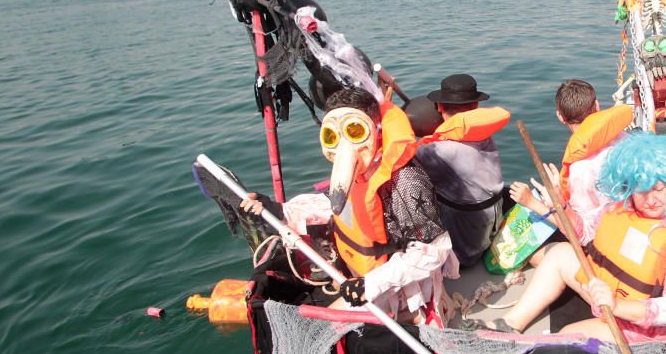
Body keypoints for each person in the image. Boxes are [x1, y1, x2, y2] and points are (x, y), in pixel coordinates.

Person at [241, 86, 458, 322]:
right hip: (360, 271)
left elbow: (434, 250)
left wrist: (371, 284)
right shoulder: (361, 171)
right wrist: (281, 210)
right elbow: (335, 206)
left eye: (355, 131)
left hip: (399, 284)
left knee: (324, 329)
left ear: (376, 132)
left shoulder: (405, 179)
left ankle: (414, 319)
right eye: (333, 136)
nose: (345, 147)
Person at [494, 133, 666, 340]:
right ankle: (510, 324)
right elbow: (584, 234)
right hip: (609, 295)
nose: (650, 200)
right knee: (560, 254)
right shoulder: (624, 205)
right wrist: (559, 204)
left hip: (656, 324)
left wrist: (618, 306)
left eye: (658, 189)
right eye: (641, 189)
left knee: (569, 335)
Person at [509, 79, 633, 247]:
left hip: (610, 245)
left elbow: (582, 236)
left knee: (538, 252)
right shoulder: (628, 140)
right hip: (633, 227)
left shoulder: (580, 170)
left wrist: (534, 203)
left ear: (560, 116)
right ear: (597, 106)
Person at [413, 74, 510, 268]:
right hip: (488, 227)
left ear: (439, 107)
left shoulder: (437, 151)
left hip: (464, 253)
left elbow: (397, 162)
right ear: (475, 107)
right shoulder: (484, 136)